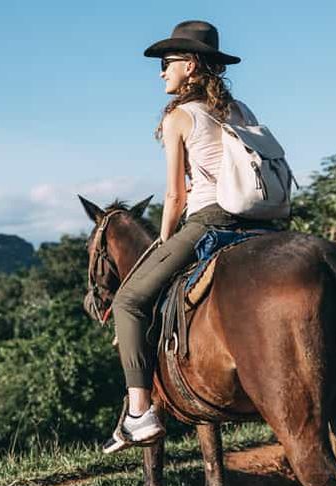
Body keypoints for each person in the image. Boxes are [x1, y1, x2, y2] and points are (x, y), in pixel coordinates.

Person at [104, 20, 265, 453]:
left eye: (167, 63)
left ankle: (139, 413)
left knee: (128, 301)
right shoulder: (240, 109)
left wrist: (162, 239)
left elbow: (175, 195)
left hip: (210, 220)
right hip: (259, 222)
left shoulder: (179, 116)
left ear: (190, 65)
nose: (161, 72)